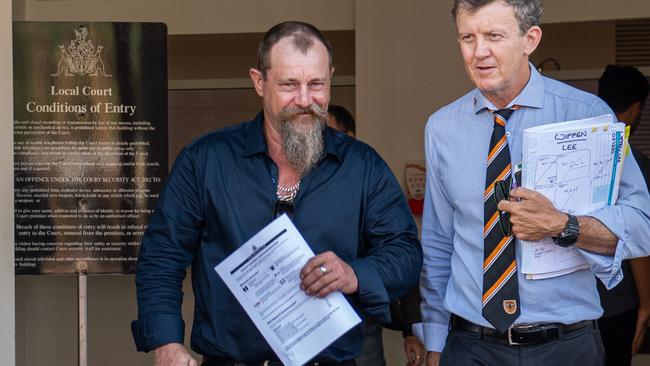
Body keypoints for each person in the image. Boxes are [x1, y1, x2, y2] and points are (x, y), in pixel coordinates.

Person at [131, 21, 422, 366]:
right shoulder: (205, 160)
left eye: (316, 84)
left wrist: (354, 273)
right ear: (259, 81)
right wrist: (166, 342)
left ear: (330, 77)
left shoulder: (363, 166)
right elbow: (162, 256)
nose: (304, 100)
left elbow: (404, 253)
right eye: (289, 85)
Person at [416, 1, 650, 366]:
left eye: (494, 36)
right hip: (470, 347)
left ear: (530, 39)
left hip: (567, 347)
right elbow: (438, 243)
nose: (479, 52)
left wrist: (563, 225)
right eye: (467, 37)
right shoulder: (441, 129)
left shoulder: (588, 116)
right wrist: (433, 338)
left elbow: (641, 226)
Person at [325, 104, 427, 366]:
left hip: (360, 321)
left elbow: (401, 255)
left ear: (350, 138)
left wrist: (410, 330)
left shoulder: (369, 183)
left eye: (328, 133)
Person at [597, 64, 650, 366]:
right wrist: (646, 304)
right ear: (635, 108)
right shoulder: (637, 163)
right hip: (617, 302)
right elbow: (639, 241)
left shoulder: (579, 149)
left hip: (575, 303)